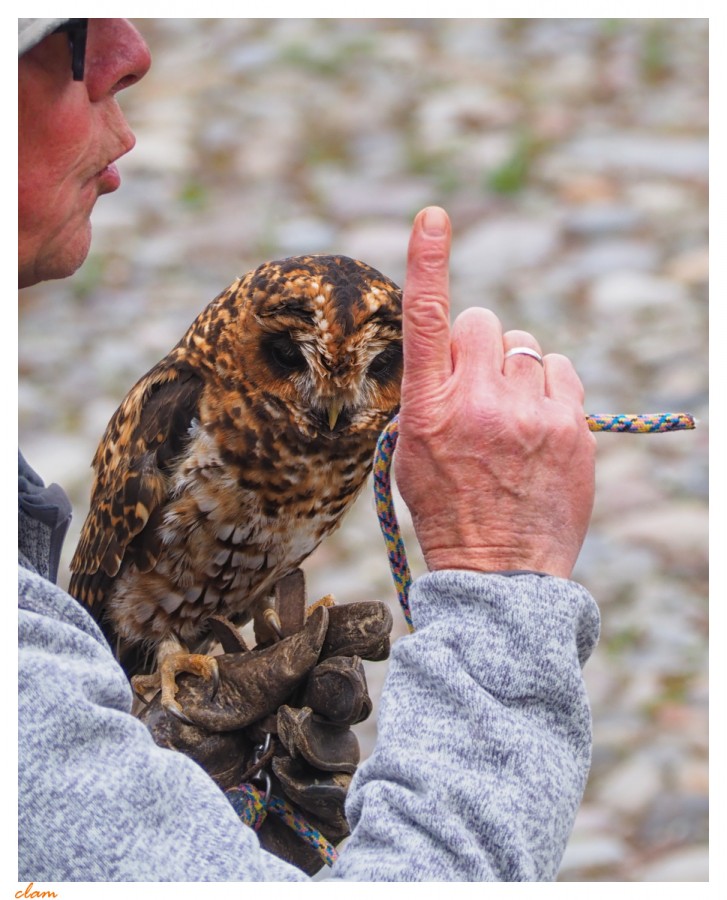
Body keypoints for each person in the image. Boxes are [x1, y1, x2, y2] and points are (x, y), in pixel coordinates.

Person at [18, 19, 599, 882]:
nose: (126, 57)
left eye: (376, 373)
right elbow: (94, 613)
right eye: (64, 40)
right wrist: (500, 574)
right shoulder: (184, 405)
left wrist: (204, 812)